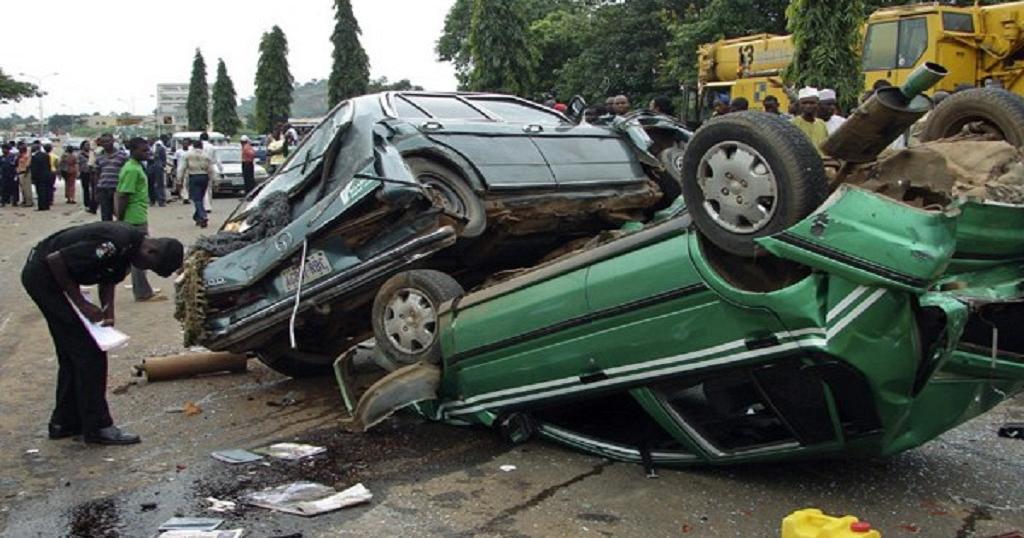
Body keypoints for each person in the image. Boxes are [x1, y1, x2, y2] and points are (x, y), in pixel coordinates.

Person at [21, 221, 183, 445]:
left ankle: (64, 422)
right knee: (90, 354)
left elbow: (108, 278)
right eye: (149, 266)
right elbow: (56, 260)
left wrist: (108, 314)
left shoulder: (130, 250)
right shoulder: (115, 243)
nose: (144, 268)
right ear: (151, 251)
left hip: (51, 277)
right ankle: (98, 427)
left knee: (72, 353)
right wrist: (82, 304)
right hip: (44, 278)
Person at [114, 137, 164, 302]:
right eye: (143, 150)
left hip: (137, 215)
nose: (147, 153)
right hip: (133, 219)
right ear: (133, 150)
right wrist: (120, 219)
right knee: (141, 256)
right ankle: (142, 291)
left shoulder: (135, 167)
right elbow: (122, 195)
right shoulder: (132, 170)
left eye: (148, 149)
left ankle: (142, 288)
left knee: (134, 256)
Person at [181, 139, 216, 227]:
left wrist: (179, 179)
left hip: (193, 176)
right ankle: (197, 217)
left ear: (193, 146)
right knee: (200, 198)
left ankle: (203, 216)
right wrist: (214, 180)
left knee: (196, 199)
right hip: (204, 177)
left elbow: (182, 168)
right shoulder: (206, 155)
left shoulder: (188, 155)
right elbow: (211, 169)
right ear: (201, 146)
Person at [94, 134, 128, 221]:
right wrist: (96, 189)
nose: (106, 144)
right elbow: (97, 174)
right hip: (103, 189)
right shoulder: (99, 156)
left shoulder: (122, 156)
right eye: (103, 142)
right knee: (105, 216)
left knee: (120, 214)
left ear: (113, 141)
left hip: (117, 189)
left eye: (108, 141)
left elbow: (127, 173)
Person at [791, 87, 829, 152]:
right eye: (804, 103)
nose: (808, 106)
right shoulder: (792, 124)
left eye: (812, 103)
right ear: (799, 105)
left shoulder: (821, 123)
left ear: (817, 104)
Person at [30, 141, 55, 211]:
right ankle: (47, 205)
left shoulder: (35, 157)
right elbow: (49, 165)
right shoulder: (46, 155)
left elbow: (34, 169)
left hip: (39, 176)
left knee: (40, 192)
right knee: (46, 190)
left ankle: (41, 206)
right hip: (47, 175)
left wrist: (33, 177)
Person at [147, 137, 167, 207]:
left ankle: (161, 200)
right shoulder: (147, 148)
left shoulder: (160, 148)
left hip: (158, 167)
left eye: (151, 140)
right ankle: (152, 200)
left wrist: (162, 165)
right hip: (150, 167)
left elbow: (164, 159)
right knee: (150, 184)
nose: (149, 141)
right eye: (148, 141)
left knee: (160, 184)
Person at [78, 140, 96, 213]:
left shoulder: (92, 154)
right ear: (82, 146)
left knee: (93, 189)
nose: (88, 146)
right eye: (86, 145)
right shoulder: (80, 154)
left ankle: (93, 203)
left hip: (92, 172)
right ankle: (87, 203)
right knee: (85, 189)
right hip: (84, 172)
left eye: (89, 145)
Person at [17, 142, 32, 207]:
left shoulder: (27, 155)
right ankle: (24, 200)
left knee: (27, 189)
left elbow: (28, 165)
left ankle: (29, 202)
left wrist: (26, 173)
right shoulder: (20, 155)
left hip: (25, 173)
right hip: (20, 172)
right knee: (22, 189)